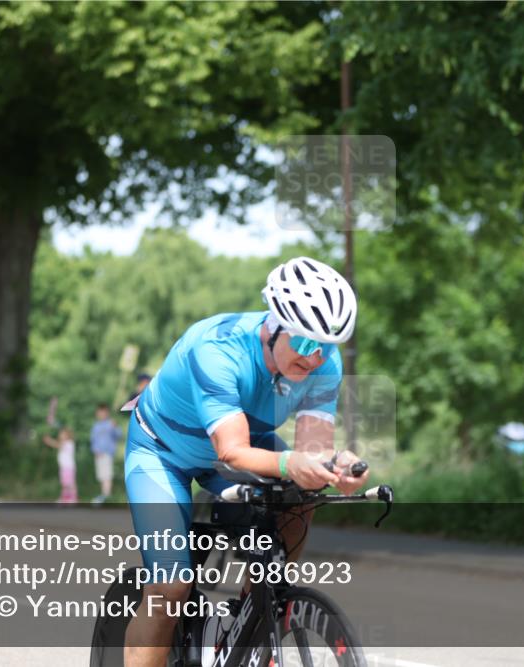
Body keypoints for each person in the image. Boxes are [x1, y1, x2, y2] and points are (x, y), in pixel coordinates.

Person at [123, 256, 366, 667]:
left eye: (327, 347)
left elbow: (311, 451)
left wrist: (336, 464)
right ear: (274, 325)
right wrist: (292, 465)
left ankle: (254, 620)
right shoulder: (217, 348)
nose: (316, 359)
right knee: (170, 590)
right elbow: (230, 452)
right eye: (307, 343)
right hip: (162, 452)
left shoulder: (324, 365)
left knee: (301, 496)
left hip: (241, 442)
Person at [90, 403, 123, 505]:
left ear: (107, 413)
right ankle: (104, 494)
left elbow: (119, 435)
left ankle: (106, 496)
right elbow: (93, 440)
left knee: (107, 475)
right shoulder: (96, 426)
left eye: (104, 412)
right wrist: (95, 450)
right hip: (98, 454)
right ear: (97, 414)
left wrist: (115, 426)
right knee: (101, 476)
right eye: (100, 413)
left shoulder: (111, 424)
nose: (102, 414)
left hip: (108, 453)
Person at [44, 426, 77, 504]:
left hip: (69, 468)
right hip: (63, 468)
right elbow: (59, 444)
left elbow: (58, 445)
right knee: (64, 484)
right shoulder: (64, 443)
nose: (61, 436)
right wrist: (49, 441)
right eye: (60, 434)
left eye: (63, 434)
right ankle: (65, 499)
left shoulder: (69, 443)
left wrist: (49, 441)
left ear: (68, 435)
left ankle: (73, 499)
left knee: (70, 484)